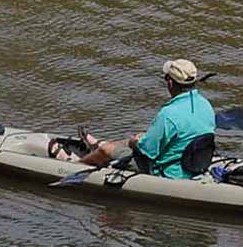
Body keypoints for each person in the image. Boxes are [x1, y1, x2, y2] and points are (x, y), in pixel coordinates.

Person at [54, 59, 217, 179]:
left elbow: (148, 152)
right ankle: (98, 146)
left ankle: (73, 166)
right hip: (193, 163)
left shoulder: (168, 115)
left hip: (166, 171)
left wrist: (135, 142)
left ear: (170, 83)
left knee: (111, 149)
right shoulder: (206, 105)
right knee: (136, 138)